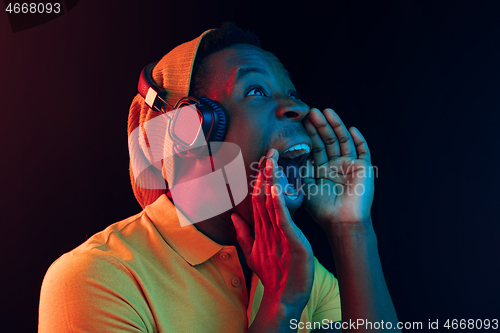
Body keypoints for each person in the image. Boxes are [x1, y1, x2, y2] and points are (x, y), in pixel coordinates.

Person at [39, 23, 400, 332]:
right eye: (255, 91)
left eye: (291, 93)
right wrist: (280, 308)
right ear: (191, 129)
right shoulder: (95, 277)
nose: (299, 108)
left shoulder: (305, 275)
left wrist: (352, 228)